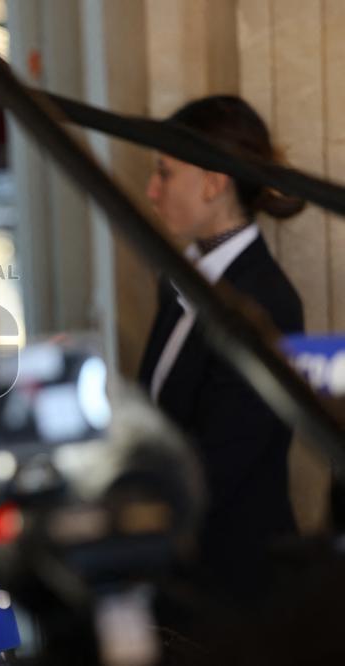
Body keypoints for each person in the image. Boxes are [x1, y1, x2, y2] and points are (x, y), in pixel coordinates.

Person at [139, 94, 304, 602]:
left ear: (214, 182)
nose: (151, 191)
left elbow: (221, 465)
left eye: (165, 174)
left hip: (237, 584)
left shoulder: (269, 302)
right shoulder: (182, 276)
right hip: (181, 570)